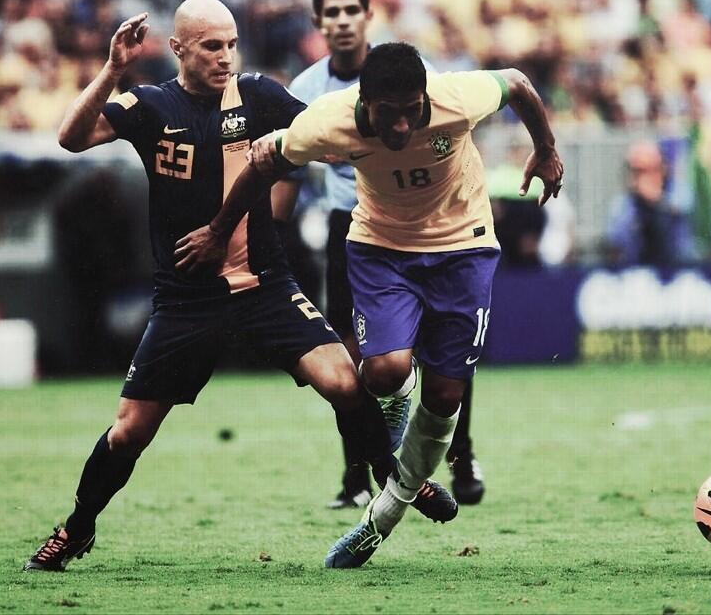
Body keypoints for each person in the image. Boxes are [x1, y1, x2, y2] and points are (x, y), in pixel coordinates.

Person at [23, 0, 452, 573]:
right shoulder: (150, 105)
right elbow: (72, 138)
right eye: (210, 46)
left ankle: (395, 478)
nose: (225, 57)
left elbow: (329, 133)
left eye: (231, 44)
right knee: (128, 434)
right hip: (185, 298)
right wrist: (112, 69)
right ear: (178, 49)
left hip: (266, 284)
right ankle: (77, 528)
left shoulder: (260, 96)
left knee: (344, 381)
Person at [173, 42, 564, 568]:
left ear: (424, 96)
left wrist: (545, 148)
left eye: (412, 111)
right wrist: (220, 232)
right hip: (382, 249)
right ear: (365, 101)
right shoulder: (328, 120)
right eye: (389, 114)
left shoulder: (455, 96)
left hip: (462, 247)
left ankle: (380, 519)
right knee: (382, 371)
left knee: (447, 394)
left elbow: (517, 79)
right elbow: (262, 163)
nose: (402, 127)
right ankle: (397, 397)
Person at [275, 0, 485, 510]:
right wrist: (269, 238)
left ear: (368, 17)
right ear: (319, 24)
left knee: (446, 352)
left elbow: (450, 140)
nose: (343, 20)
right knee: (354, 355)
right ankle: (358, 471)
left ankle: (461, 459)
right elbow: (284, 172)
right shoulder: (305, 92)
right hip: (351, 226)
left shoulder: (420, 78)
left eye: (352, 10)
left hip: (426, 227)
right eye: (332, 12)